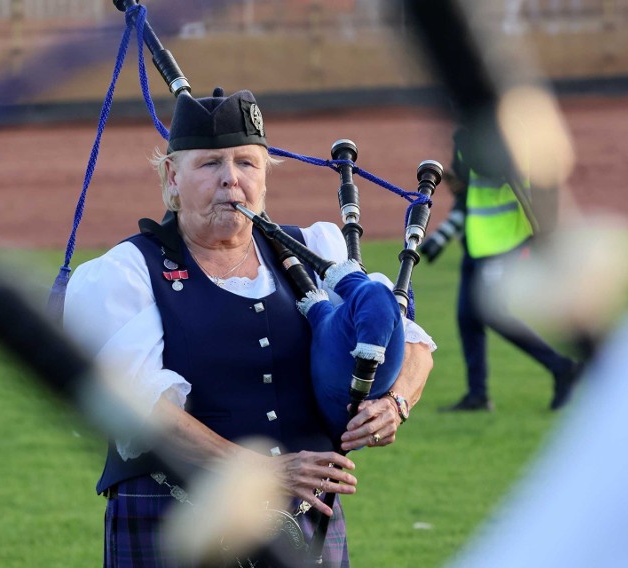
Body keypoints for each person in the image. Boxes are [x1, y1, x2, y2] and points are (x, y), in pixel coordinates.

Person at [63, 87, 435, 567]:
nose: (230, 180)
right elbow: (140, 410)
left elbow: (408, 341)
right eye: (210, 164)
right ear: (172, 177)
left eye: (246, 163)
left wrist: (394, 402)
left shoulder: (317, 251)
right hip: (172, 520)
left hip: (305, 523)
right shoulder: (128, 272)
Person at [444, 259, 628, 567]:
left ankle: (557, 368)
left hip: (503, 251)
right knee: (474, 315)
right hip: (489, 251)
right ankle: (485, 390)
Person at [420, 127, 580, 411]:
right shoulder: (464, 138)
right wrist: (442, 238)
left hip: (507, 241)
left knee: (492, 313)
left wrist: (542, 237)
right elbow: (466, 196)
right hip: (477, 241)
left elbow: (520, 188)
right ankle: (478, 395)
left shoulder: (508, 142)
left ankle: (562, 366)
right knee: (468, 318)